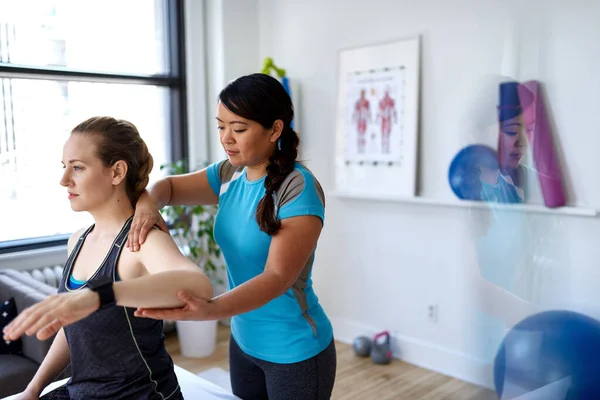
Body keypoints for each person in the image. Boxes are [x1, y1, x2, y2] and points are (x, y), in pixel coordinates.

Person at [126, 73, 337, 400]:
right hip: (244, 342)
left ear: (275, 130)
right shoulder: (229, 174)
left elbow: (277, 277)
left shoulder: (297, 187)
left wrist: (210, 310)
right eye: (221, 127)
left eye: (238, 129)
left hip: (294, 351)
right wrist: (148, 205)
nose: (226, 138)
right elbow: (166, 187)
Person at [3, 116, 213, 400]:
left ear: (116, 172)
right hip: (83, 392)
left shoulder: (141, 241)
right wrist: (32, 390)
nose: (64, 180)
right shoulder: (78, 240)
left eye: (77, 167)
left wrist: (100, 294)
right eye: (65, 167)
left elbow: (199, 287)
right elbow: (72, 325)